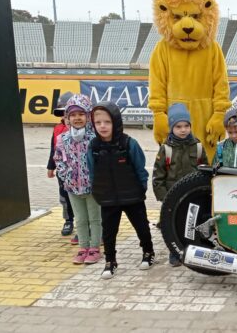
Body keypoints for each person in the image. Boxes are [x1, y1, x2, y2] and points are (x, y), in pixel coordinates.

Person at [88, 102, 155, 279]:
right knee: (109, 232)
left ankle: (148, 252)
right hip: (107, 198)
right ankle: (110, 261)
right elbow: (92, 172)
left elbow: (141, 169)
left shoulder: (129, 143)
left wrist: (141, 189)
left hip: (132, 196)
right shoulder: (93, 147)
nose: (102, 126)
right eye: (98, 122)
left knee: (141, 227)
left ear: (116, 123)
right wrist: (98, 192)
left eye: (107, 122)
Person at [152, 103, 207, 266]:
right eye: (178, 126)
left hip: (193, 195)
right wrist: (165, 199)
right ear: (171, 128)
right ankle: (175, 253)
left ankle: (192, 250)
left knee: (192, 223)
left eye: (186, 126)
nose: (183, 130)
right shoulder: (166, 149)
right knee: (172, 225)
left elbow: (205, 171)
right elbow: (158, 177)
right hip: (172, 197)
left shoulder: (197, 146)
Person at [53, 94, 101, 265]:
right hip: (72, 187)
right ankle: (83, 247)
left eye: (81, 114)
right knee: (80, 219)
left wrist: (97, 179)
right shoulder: (62, 139)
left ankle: (95, 247)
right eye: (73, 115)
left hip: (92, 187)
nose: (77, 118)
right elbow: (58, 159)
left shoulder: (95, 138)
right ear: (67, 117)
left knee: (94, 218)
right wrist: (66, 177)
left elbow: (101, 160)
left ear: (88, 116)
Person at [47, 92, 76, 240]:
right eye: (62, 113)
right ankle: (68, 220)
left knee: (79, 197)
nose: (66, 117)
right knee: (65, 197)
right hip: (62, 172)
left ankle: (85, 222)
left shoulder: (80, 129)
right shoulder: (57, 129)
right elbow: (53, 149)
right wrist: (51, 166)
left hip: (78, 173)